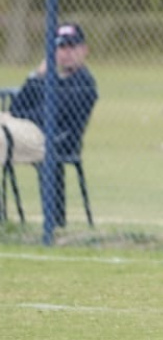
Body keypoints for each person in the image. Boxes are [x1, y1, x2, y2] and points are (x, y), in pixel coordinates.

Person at [1, 22, 98, 227]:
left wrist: (21, 114)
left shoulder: (84, 82)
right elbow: (19, 105)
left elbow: (49, 116)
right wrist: (37, 75)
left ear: (84, 50)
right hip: (27, 132)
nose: (66, 53)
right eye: (61, 47)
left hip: (50, 140)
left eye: (72, 46)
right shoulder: (49, 78)